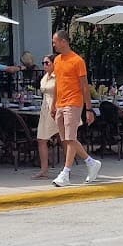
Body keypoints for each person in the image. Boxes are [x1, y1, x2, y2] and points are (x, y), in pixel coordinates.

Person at [49, 30, 100, 187]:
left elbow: (84, 86)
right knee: (66, 139)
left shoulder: (77, 61)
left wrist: (89, 109)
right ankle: (91, 162)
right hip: (60, 103)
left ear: (64, 41)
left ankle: (65, 173)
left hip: (73, 103)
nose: (53, 44)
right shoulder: (57, 60)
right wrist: (53, 103)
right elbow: (57, 83)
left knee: (70, 138)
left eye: (55, 42)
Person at [29, 52, 57, 179]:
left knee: (65, 139)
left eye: (47, 63)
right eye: (43, 63)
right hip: (45, 109)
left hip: (55, 109)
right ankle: (44, 169)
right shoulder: (45, 77)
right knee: (41, 139)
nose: (44, 65)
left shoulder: (58, 76)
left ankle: (69, 167)